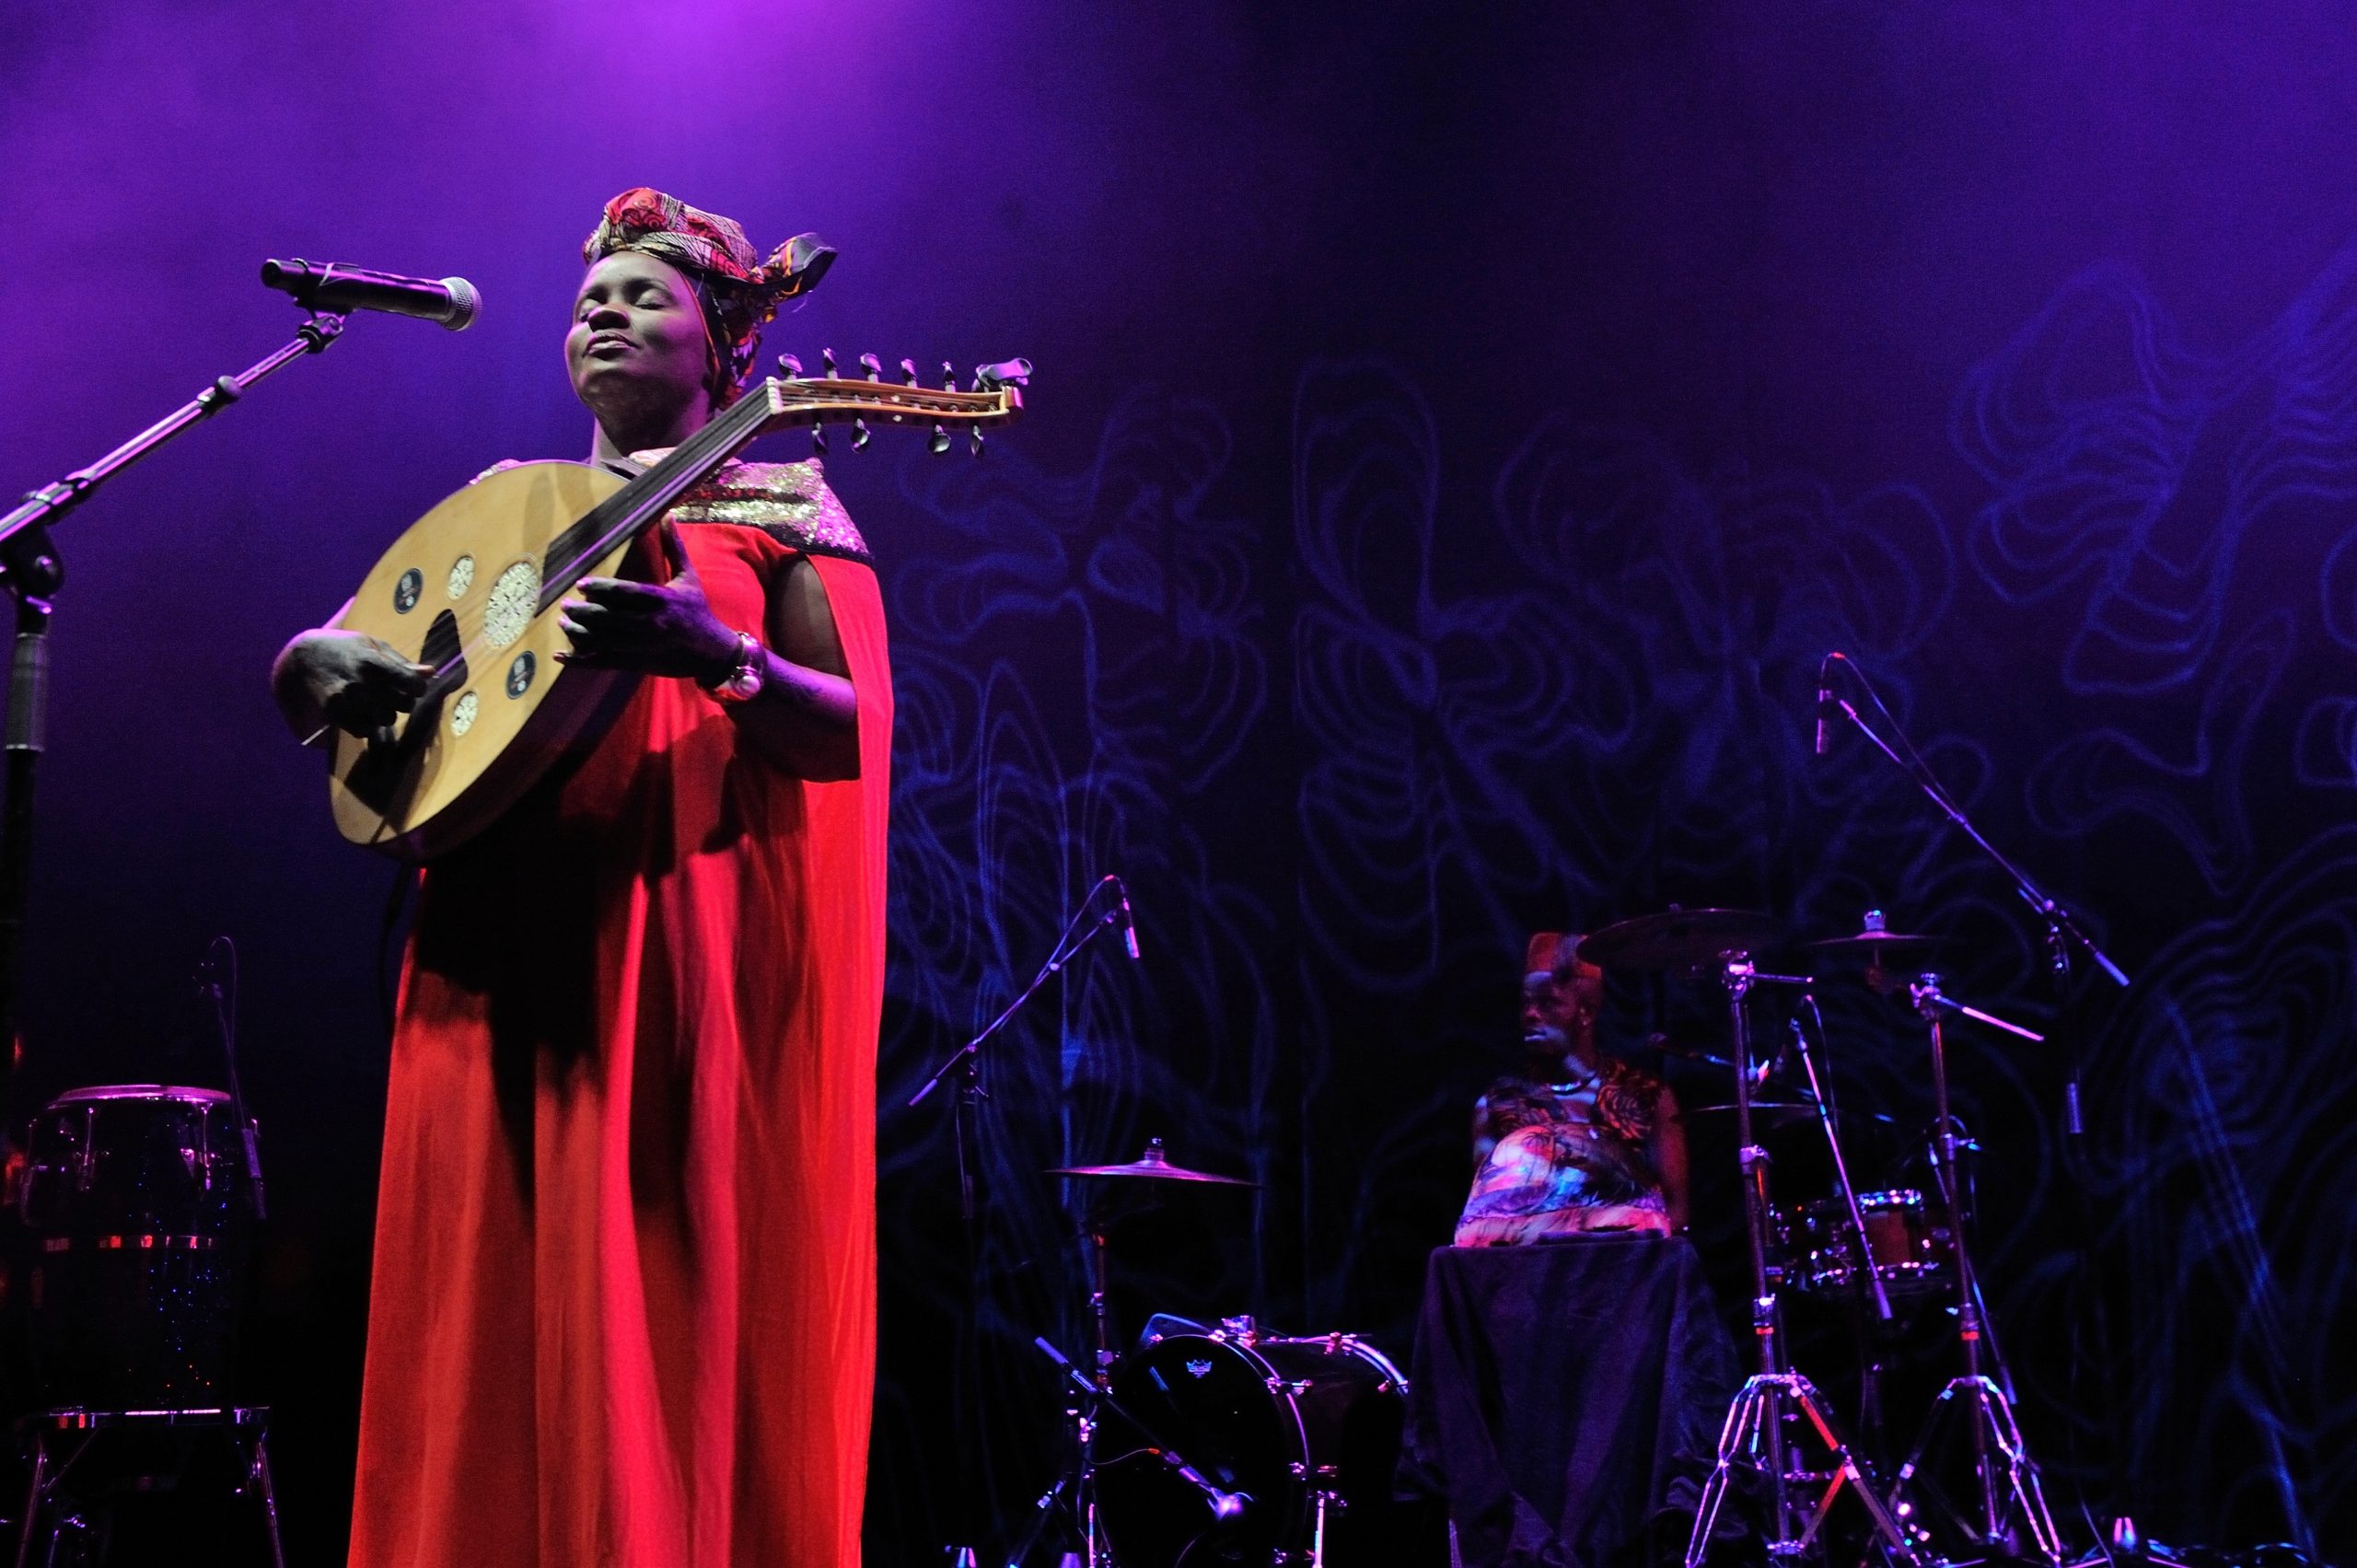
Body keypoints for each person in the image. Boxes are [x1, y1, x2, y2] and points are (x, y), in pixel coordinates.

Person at [271, 188, 891, 1568]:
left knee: (656, 1282)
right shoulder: (512, 511)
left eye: (642, 294)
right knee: (487, 1302)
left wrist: (716, 654)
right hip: (495, 951)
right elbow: (364, 665)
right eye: (588, 299)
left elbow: (848, 731)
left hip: (669, 948)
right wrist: (305, 662)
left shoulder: (785, 503)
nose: (603, 311)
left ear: (720, 344)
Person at [1456, 932, 1689, 1245]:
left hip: (1626, 1264)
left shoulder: (1646, 1096)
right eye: (1526, 1003)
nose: (1530, 1014)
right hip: (1531, 1266)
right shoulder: (1498, 1105)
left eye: (1548, 1003)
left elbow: (1677, 1211)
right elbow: (1484, 1217)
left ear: (1586, 1013)